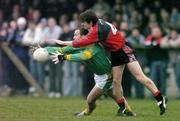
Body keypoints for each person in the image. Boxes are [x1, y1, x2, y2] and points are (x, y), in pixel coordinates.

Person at [53, 9, 167, 115]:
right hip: (115, 52)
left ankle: (160, 98)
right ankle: (122, 107)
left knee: (139, 76)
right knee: (116, 81)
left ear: (90, 22)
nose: (82, 24)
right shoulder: (98, 24)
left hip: (124, 49)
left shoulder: (97, 30)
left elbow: (79, 43)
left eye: (83, 22)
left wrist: (63, 43)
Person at [45, 28, 136, 116]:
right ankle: (128, 111)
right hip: (100, 74)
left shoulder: (92, 47)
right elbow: (62, 50)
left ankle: (87, 112)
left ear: (84, 37)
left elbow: (83, 56)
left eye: (76, 35)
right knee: (114, 94)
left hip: (106, 76)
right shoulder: (79, 45)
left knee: (90, 100)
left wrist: (64, 57)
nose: (73, 38)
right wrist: (44, 50)